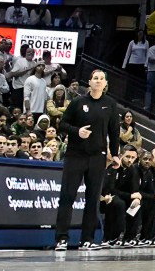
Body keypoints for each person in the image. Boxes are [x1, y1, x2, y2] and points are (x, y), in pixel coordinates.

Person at [54, 68, 117, 250]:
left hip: (98, 157)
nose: (98, 81)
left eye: (101, 79)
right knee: (68, 196)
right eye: (95, 78)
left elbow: (114, 131)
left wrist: (114, 154)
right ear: (89, 82)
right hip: (76, 155)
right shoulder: (77, 102)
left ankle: (87, 239)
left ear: (105, 84)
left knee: (92, 198)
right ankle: (61, 238)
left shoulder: (110, 104)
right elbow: (63, 124)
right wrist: (77, 131)